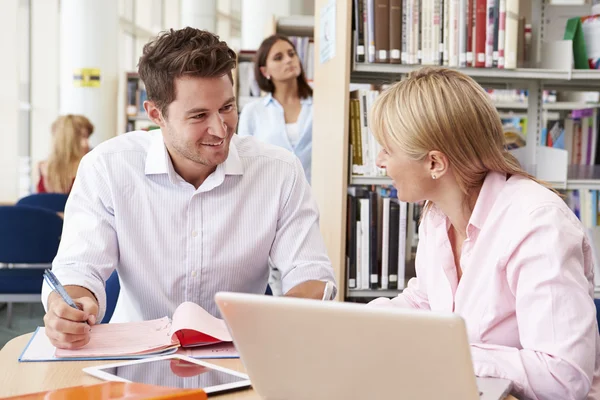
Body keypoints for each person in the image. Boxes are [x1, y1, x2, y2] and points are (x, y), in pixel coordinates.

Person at [41, 27, 336, 350]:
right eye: (199, 115)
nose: (220, 129)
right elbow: (79, 268)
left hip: (242, 356)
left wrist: (291, 312)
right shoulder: (108, 167)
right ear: (155, 114)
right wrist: (70, 305)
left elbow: (310, 272)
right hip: (135, 362)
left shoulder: (280, 172)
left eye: (227, 107)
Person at [368, 67, 600, 400]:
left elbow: (562, 377)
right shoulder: (437, 216)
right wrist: (355, 324)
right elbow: (425, 302)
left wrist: (449, 352)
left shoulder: (537, 223)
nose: (380, 161)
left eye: (388, 150)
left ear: (435, 163)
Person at [237, 34, 313, 183]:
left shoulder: (322, 104)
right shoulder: (252, 111)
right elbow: (244, 161)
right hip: (269, 194)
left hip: (318, 194)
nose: (288, 60)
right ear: (265, 71)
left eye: (292, 54)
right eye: (278, 57)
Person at [37, 114, 94, 194]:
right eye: (83, 137)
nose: (87, 143)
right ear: (67, 140)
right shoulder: (88, 169)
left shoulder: (42, 168)